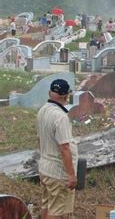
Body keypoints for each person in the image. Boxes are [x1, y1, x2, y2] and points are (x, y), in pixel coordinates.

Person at [37, 79, 77, 218]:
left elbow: (39, 139)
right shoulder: (60, 117)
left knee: (46, 205)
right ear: (66, 97)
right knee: (56, 211)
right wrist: (71, 174)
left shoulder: (42, 110)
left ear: (49, 93)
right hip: (57, 172)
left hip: (44, 167)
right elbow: (64, 148)